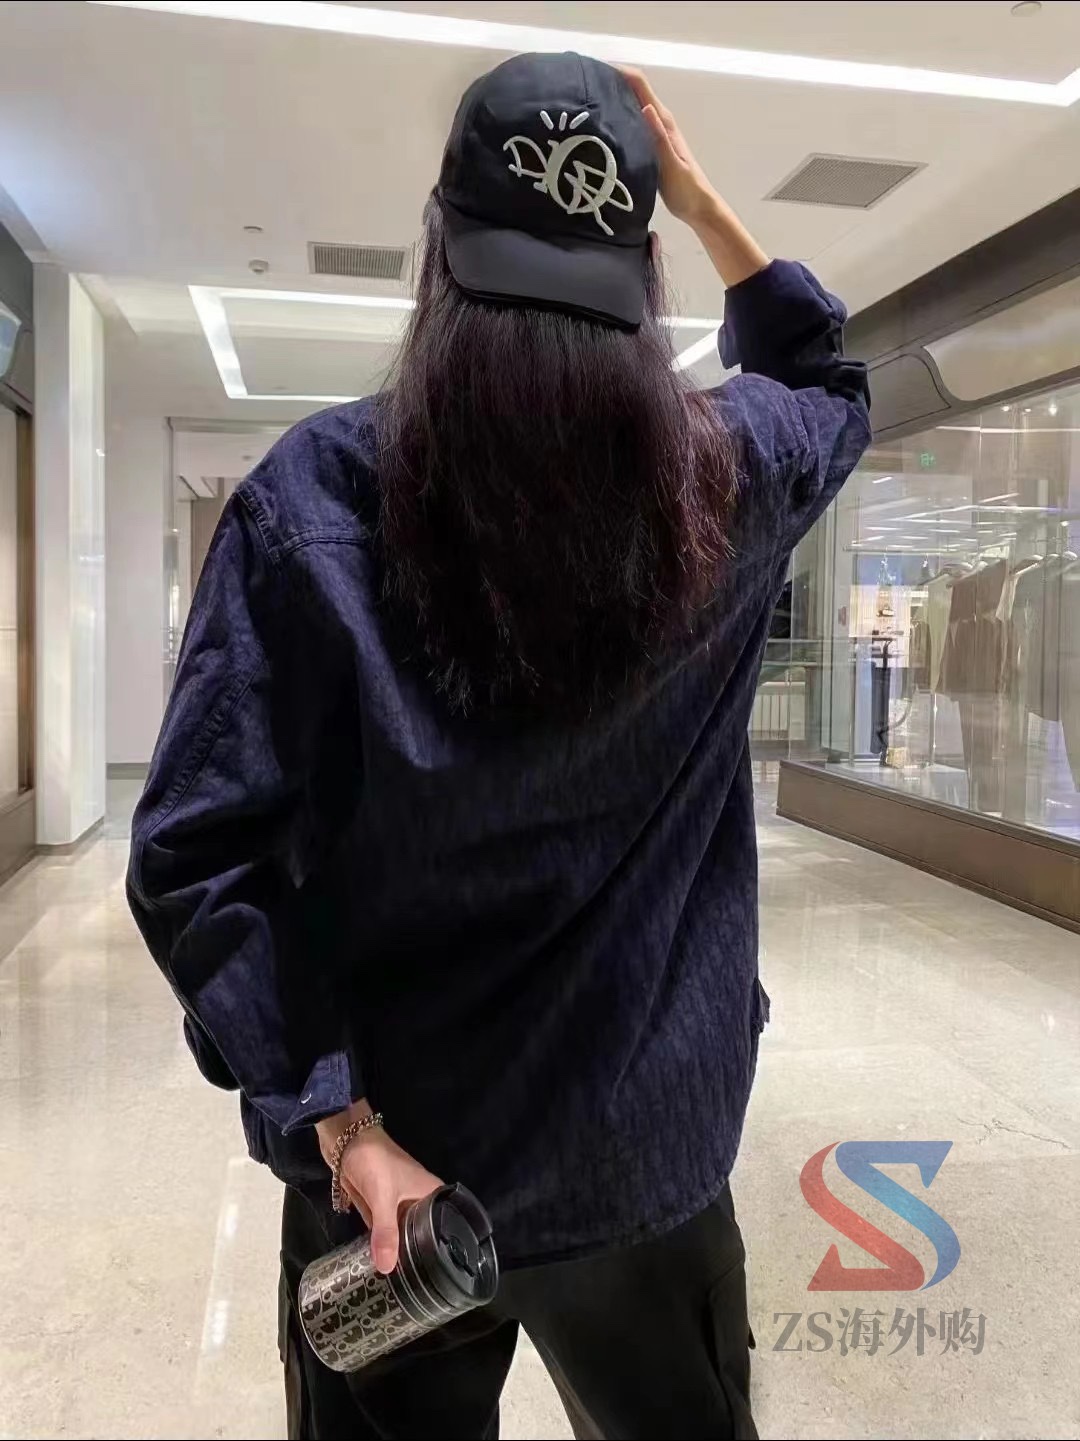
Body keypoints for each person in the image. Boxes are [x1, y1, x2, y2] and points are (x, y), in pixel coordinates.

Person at [128, 53, 869, 1441]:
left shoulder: (315, 502)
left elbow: (193, 857)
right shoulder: (733, 479)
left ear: (439, 249)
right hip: (646, 1154)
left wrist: (337, 1123)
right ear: (639, 281)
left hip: (397, 1191)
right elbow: (829, 375)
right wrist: (696, 196)